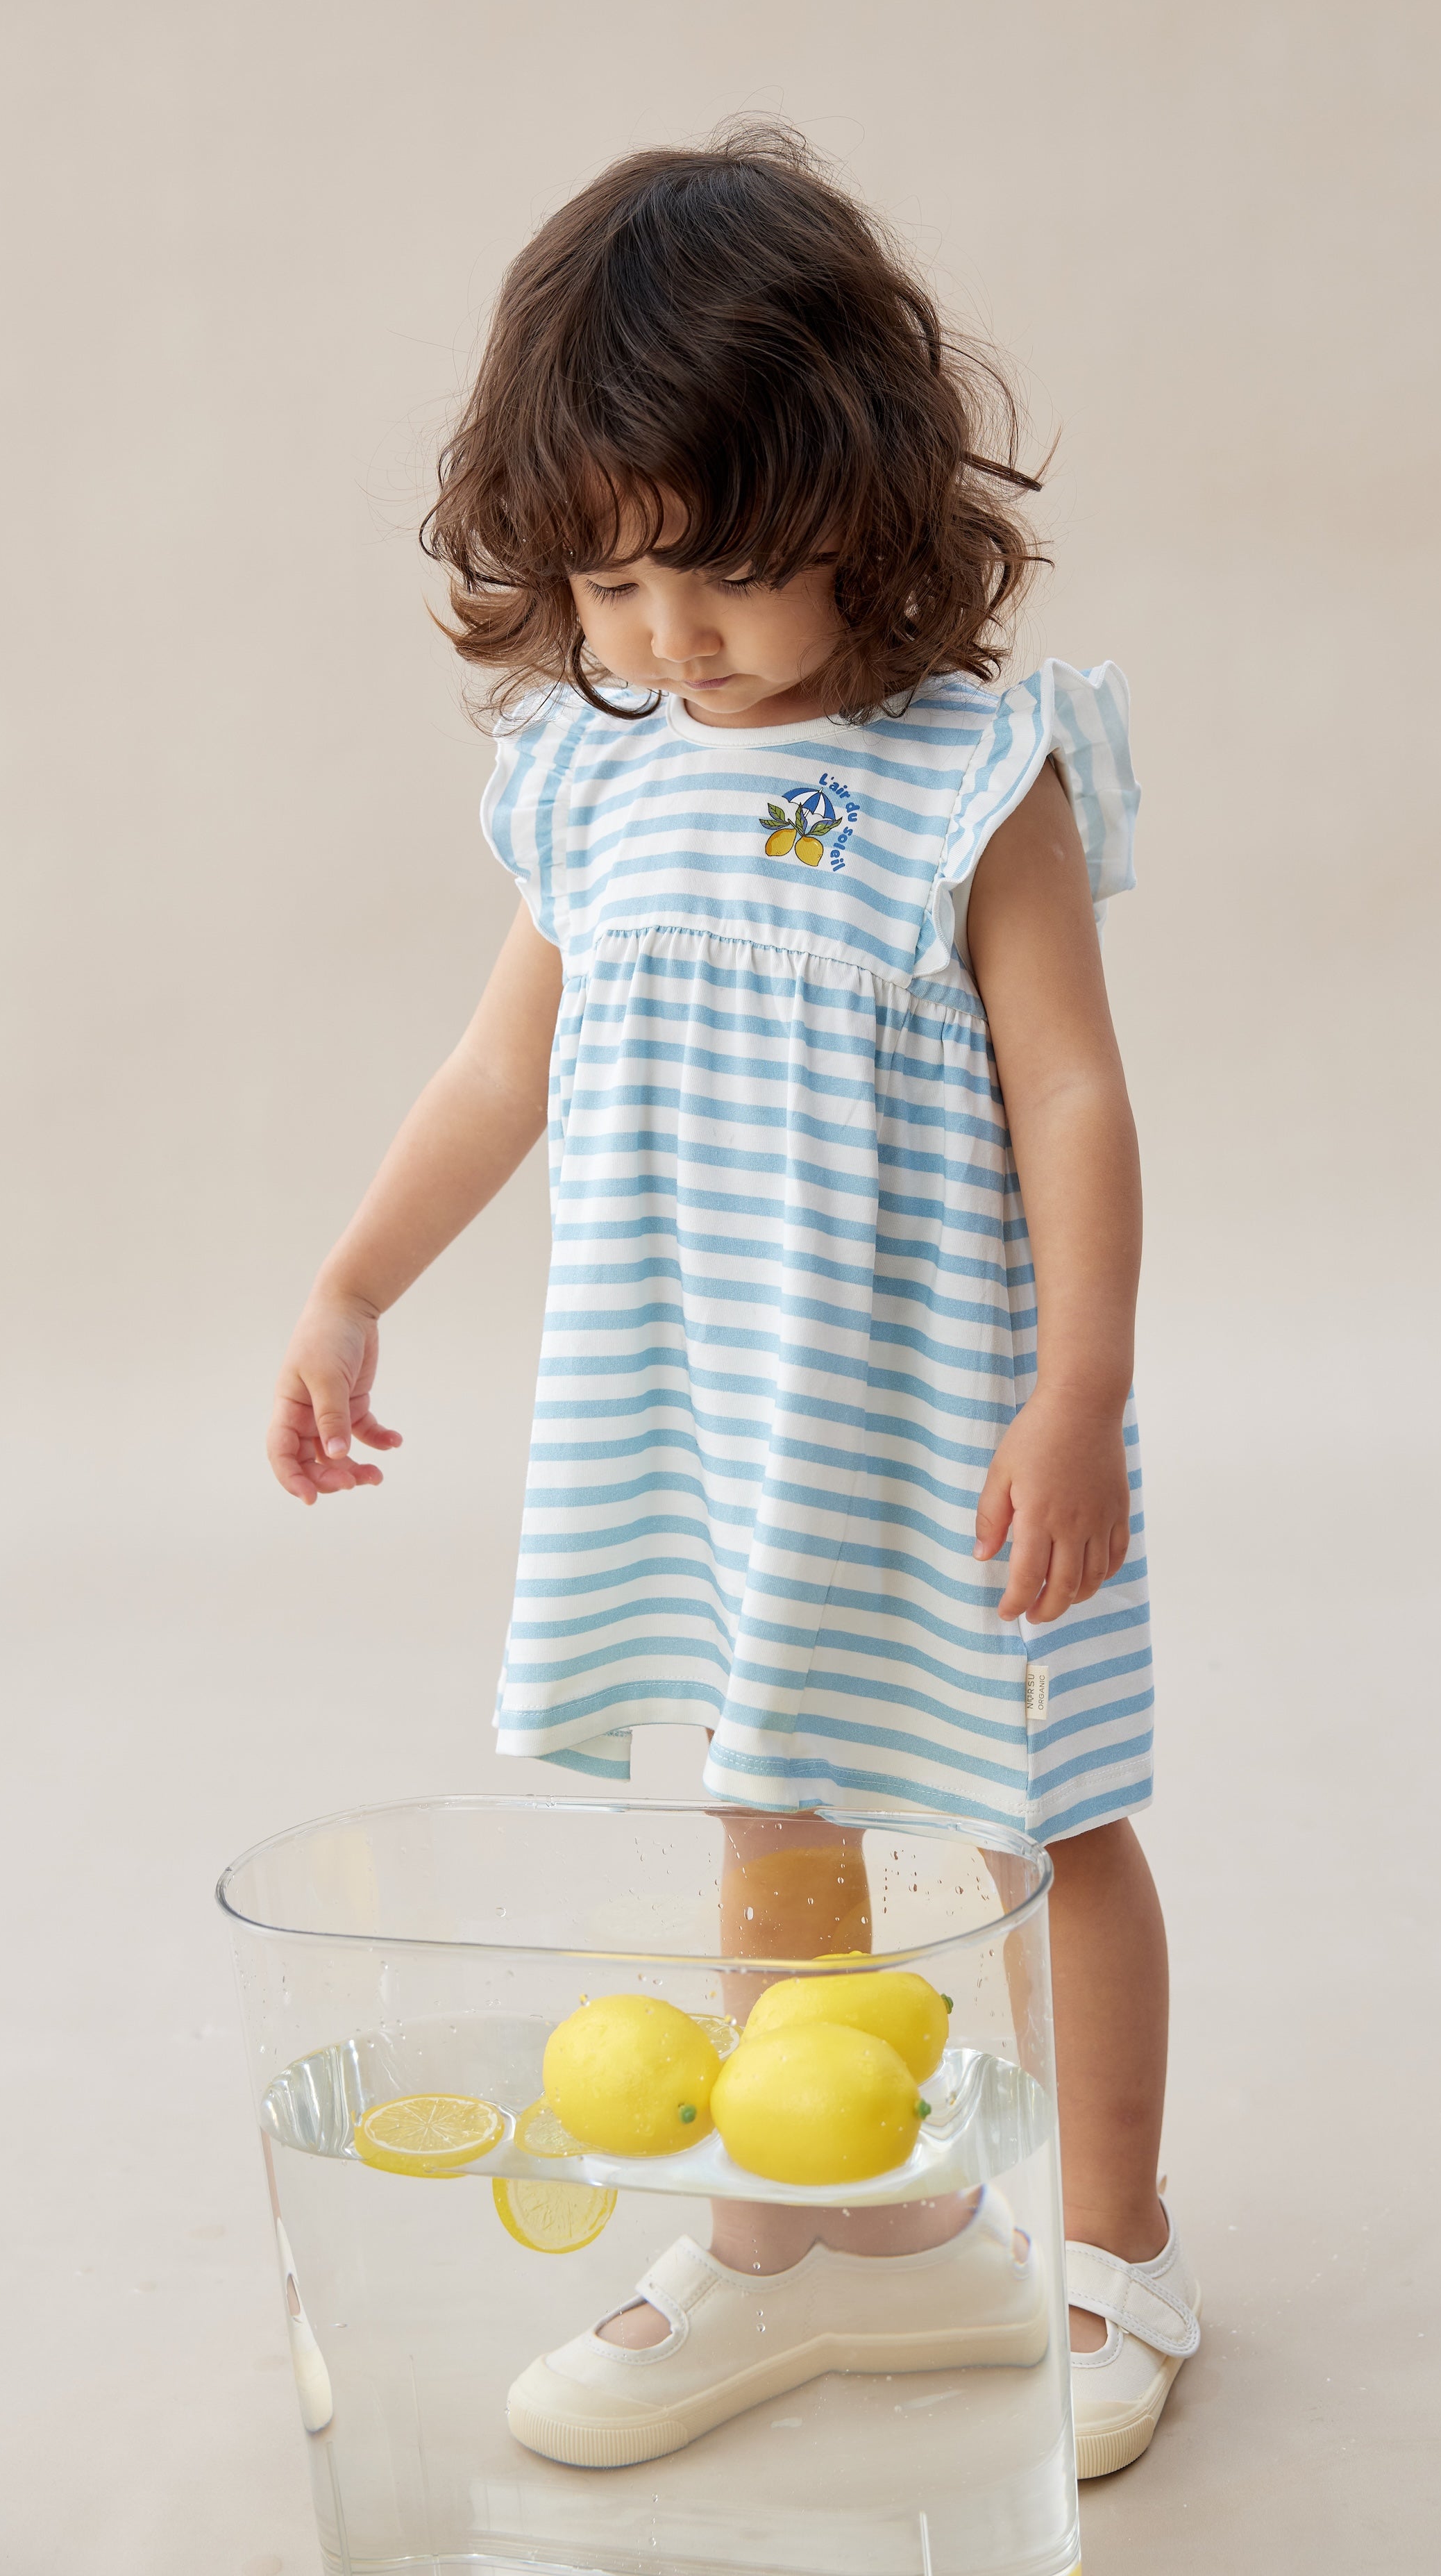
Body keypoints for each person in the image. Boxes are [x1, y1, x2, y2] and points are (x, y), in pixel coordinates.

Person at [266, 125, 1200, 2479]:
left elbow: (1074, 1100)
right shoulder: (589, 787)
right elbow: (505, 1067)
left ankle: (1105, 2243)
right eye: (606, 583)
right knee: (764, 1817)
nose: (661, 636)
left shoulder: (968, 772)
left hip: (959, 1427)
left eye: (721, 575)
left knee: (1046, 1820)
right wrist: (355, 1281)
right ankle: (794, 2234)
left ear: (864, 518)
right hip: (714, 1427)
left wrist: (1078, 1397)